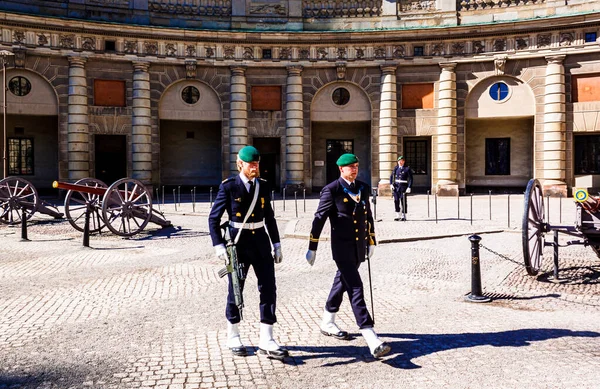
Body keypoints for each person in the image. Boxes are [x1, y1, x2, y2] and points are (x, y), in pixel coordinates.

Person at [305, 153, 391, 359]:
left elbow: (368, 216)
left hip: (358, 247)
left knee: (341, 282)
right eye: (350, 167)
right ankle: (370, 336)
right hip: (342, 248)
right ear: (340, 169)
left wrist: (371, 240)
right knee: (355, 287)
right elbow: (319, 219)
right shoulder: (332, 190)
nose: (354, 169)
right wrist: (312, 246)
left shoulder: (362, 187)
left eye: (356, 166)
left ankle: (327, 321)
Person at [208, 145, 288, 360]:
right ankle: (233, 335)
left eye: (257, 163)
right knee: (236, 289)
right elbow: (213, 219)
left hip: (261, 241)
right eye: (251, 164)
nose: (255, 167)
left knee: (269, 288)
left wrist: (277, 243)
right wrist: (218, 246)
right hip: (238, 242)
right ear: (240, 164)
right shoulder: (228, 187)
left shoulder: (262, 186)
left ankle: (267, 338)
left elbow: (269, 217)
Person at [390, 156, 413, 221]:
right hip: (396, 187)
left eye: (402, 161)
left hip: (403, 187)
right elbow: (391, 176)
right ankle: (398, 215)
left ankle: (403, 215)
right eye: (399, 161)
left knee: (403, 201)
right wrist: (391, 184)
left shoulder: (407, 169)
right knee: (396, 201)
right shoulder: (396, 168)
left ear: (404, 162)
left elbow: (411, 179)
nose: (400, 162)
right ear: (398, 162)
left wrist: (409, 187)